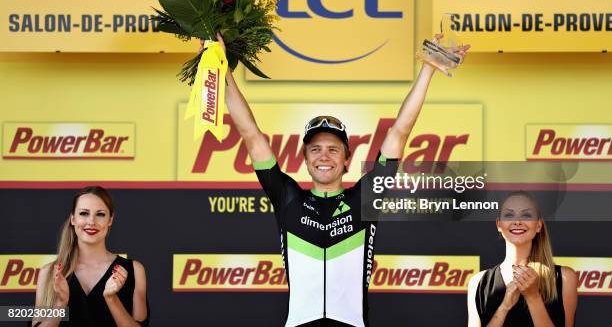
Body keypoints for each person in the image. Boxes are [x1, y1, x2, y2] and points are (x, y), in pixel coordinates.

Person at [217, 33, 468, 326]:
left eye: (333, 150)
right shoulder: (287, 197)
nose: (324, 157)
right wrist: (222, 68)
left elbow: (399, 132)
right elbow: (250, 133)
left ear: (347, 159)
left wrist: (428, 69)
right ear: (305, 158)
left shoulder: (365, 198)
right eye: (316, 149)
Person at [33, 186, 148, 327]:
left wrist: (112, 299)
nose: (91, 221)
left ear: (110, 220)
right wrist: (60, 303)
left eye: (100, 214)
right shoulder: (49, 273)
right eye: (84, 213)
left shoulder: (134, 270)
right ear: (73, 219)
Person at [467, 191, 578, 327]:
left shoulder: (565, 278)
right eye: (509, 215)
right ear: (499, 224)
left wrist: (533, 297)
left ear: (538, 225)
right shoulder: (478, 282)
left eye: (526, 215)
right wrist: (504, 306)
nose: (517, 222)